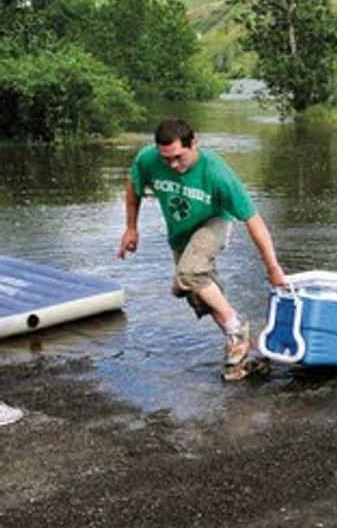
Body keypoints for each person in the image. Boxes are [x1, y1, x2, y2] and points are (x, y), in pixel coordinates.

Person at [117, 118, 286, 381]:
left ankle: (237, 328)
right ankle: (248, 351)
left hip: (215, 222)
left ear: (193, 143)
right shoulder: (148, 159)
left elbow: (254, 221)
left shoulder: (217, 173)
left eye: (178, 157)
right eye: (166, 159)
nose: (172, 165)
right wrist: (131, 228)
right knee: (200, 296)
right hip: (181, 233)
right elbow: (133, 187)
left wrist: (273, 268)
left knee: (191, 274)